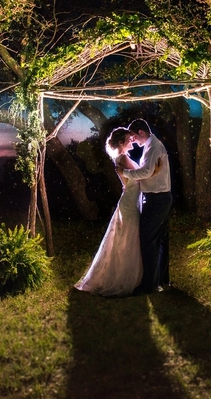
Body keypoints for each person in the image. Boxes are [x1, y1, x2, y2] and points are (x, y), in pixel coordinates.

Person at [74, 127, 150, 297]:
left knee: (126, 237)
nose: (132, 141)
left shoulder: (121, 158)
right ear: (121, 142)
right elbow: (139, 177)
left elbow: (129, 180)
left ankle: (128, 274)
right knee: (129, 237)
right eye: (129, 139)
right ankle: (127, 278)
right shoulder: (123, 158)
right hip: (130, 201)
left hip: (130, 198)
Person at [123, 118, 172, 295]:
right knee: (160, 241)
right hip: (160, 197)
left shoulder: (153, 147)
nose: (133, 141)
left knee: (149, 241)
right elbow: (150, 172)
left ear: (141, 132)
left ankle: (149, 285)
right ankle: (162, 279)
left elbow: (146, 171)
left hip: (157, 199)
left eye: (134, 137)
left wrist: (125, 172)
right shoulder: (152, 146)